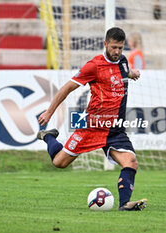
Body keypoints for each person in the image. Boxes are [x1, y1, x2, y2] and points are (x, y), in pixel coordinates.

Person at [37, 27, 148, 211]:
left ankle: (124, 204)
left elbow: (121, 72)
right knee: (59, 162)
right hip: (92, 126)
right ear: (105, 44)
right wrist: (49, 112)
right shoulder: (94, 66)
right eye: (113, 47)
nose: (117, 52)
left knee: (131, 162)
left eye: (120, 47)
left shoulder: (122, 61)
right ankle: (48, 136)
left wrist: (131, 73)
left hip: (115, 129)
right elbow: (67, 88)